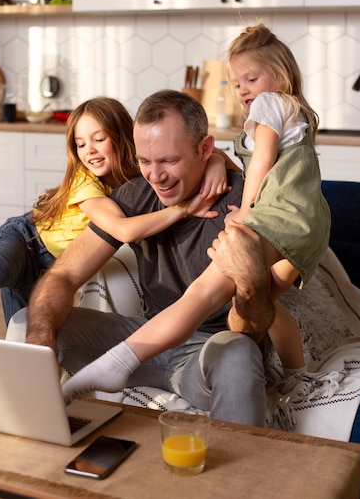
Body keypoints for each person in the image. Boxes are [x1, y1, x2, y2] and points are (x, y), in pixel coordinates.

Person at [61, 24, 331, 405]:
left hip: (280, 217)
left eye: (251, 79)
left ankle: (119, 362)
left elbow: (263, 162)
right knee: (269, 302)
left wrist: (246, 212)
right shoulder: (294, 112)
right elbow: (272, 166)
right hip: (309, 223)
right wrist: (220, 162)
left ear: (281, 75)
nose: (243, 91)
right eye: (237, 83)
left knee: (203, 291)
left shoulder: (270, 105)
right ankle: (297, 378)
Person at [24, 89, 272, 426]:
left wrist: (252, 286)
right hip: (145, 338)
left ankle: (242, 474)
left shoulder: (244, 203)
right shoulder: (135, 196)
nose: (155, 176)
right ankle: (28, 444)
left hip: (208, 351)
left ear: (205, 149)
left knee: (240, 351)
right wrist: (40, 342)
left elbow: (255, 328)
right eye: (144, 161)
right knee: (30, 322)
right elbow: (63, 276)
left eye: (169, 161)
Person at [0, 96, 226, 325]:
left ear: (122, 136)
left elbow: (206, 152)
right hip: (25, 241)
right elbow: (122, 230)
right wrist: (184, 209)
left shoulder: (140, 172)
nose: (89, 151)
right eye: (80, 144)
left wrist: (214, 160)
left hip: (50, 266)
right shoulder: (84, 180)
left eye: (98, 139)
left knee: (26, 342)